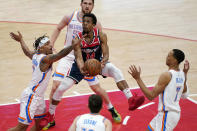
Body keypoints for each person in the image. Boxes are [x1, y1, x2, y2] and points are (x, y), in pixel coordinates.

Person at [48, 12, 145, 129]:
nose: (84, 24)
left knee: (115, 71)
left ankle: (130, 99)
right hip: (81, 68)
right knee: (60, 89)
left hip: (97, 64)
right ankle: (50, 116)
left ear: (93, 24)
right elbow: (78, 57)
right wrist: (82, 68)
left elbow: (106, 53)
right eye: (83, 22)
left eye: (87, 22)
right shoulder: (77, 39)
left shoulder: (101, 36)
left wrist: (103, 61)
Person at [43, 0, 122, 129]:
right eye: (85, 3)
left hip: (86, 60)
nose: (87, 6)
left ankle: (111, 109)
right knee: (56, 86)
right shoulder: (70, 16)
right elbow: (58, 28)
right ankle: (50, 117)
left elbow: (101, 44)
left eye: (90, 4)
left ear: (93, 6)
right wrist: (51, 44)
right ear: (81, 4)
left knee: (96, 88)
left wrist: (100, 62)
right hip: (68, 57)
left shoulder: (96, 24)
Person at [7, 31, 79, 131]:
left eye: (50, 43)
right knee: (21, 127)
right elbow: (60, 55)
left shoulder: (35, 55)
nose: (50, 45)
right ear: (41, 48)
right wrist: (73, 45)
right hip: (31, 96)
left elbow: (27, 52)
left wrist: (21, 40)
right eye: (47, 44)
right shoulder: (45, 59)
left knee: (40, 124)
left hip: (39, 97)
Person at [128, 49, 190, 131]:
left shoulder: (166, 75)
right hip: (169, 114)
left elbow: (151, 96)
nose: (167, 57)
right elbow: (185, 95)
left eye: (169, 55)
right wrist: (185, 73)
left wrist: (138, 79)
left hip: (167, 114)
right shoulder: (182, 74)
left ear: (175, 60)